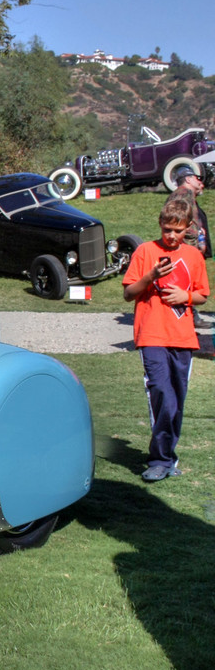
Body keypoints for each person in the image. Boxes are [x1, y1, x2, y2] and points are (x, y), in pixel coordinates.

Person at [122, 199, 210, 482]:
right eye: (167, 229)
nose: (171, 235)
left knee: (177, 401)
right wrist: (151, 276)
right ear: (160, 224)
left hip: (183, 338)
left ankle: (168, 457)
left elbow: (201, 295)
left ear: (187, 229)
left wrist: (184, 297)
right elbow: (129, 293)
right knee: (161, 394)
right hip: (151, 334)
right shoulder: (146, 251)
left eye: (178, 230)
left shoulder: (194, 256)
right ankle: (159, 460)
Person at [172, 166, 210, 258]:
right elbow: (182, 223)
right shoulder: (184, 195)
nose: (200, 182)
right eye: (197, 178)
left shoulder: (184, 195)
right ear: (188, 179)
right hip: (189, 251)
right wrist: (198, 245)